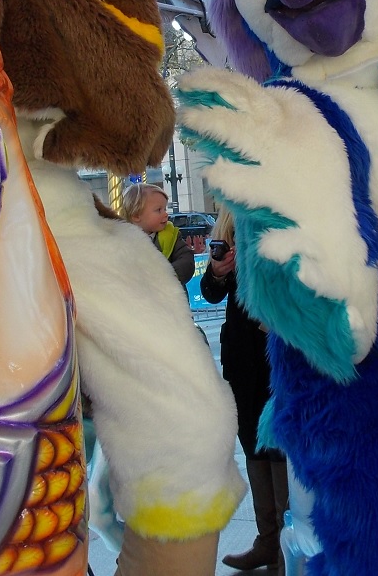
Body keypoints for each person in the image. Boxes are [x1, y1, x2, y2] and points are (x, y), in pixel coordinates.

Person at [200, 210, 288, 573]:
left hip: (277, 347)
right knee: (252, 440)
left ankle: (285, 545)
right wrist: (218, 272)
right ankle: (267, 541)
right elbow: (209, 292)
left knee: (280, 443)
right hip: (241, 352)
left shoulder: (276, 213)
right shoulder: (230, 222)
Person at [120, 183, 195, 286]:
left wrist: (168, 275)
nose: (165, 214)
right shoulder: (123, 241)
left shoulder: (171, 235)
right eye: (159, 210)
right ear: (136, 215)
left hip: (169, 295)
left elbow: (186, 260)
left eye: (165, 209)